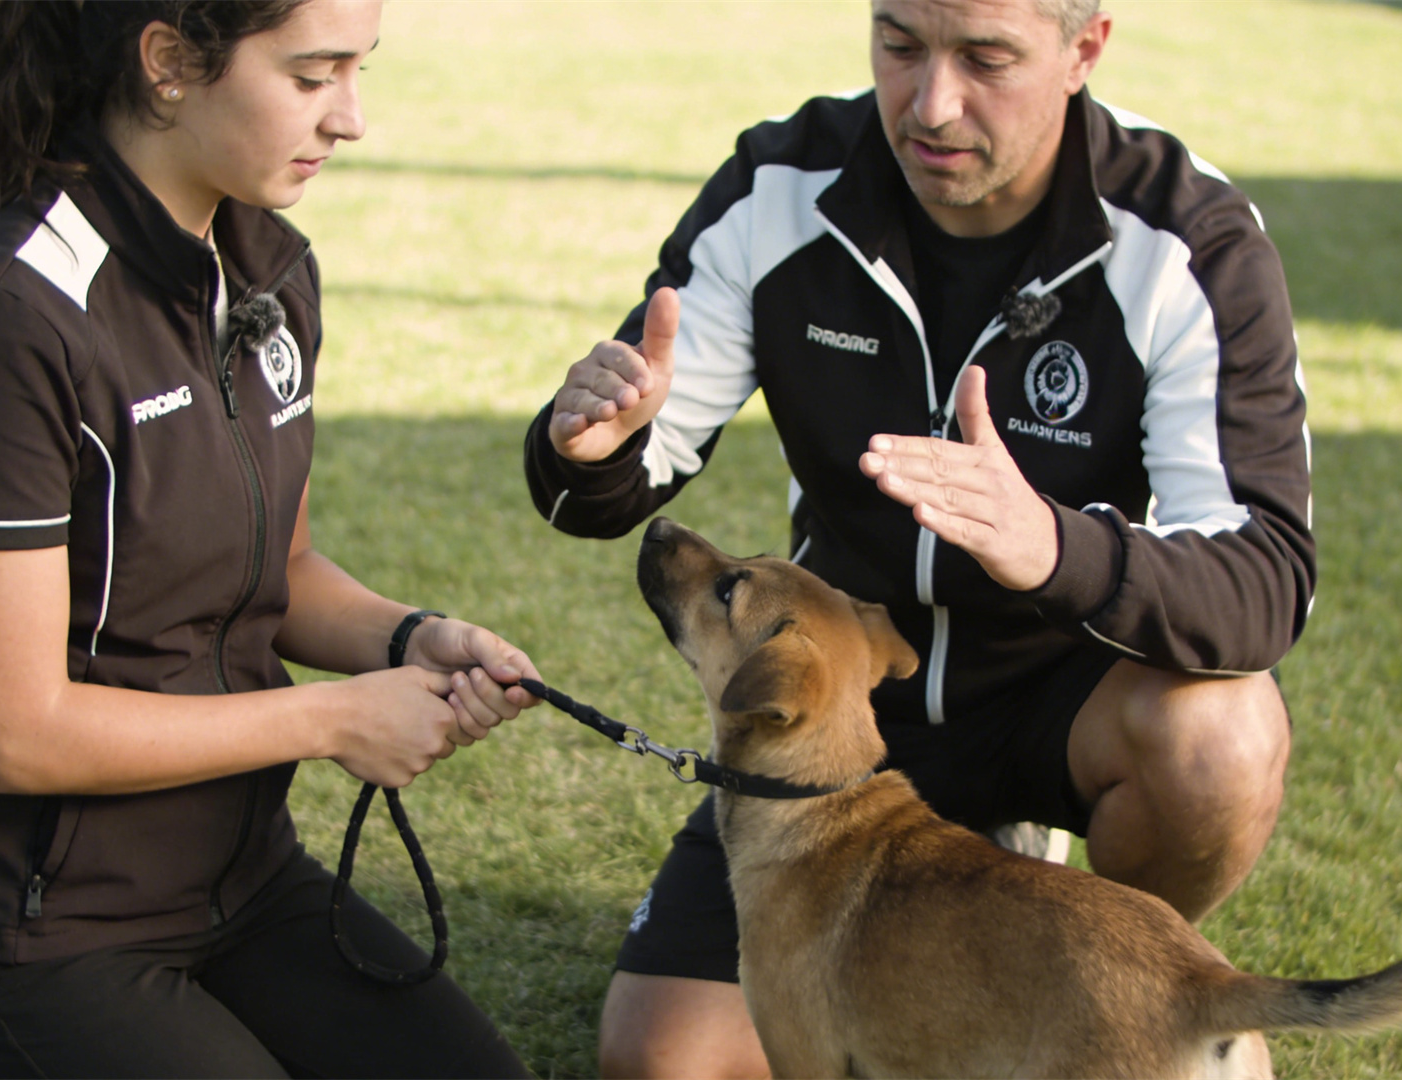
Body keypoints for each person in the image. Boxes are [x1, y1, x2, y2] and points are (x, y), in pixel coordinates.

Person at [521, 1, 1310, 1076]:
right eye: (899, 45)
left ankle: (1090, 985)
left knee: (1221, 739)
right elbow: (610, 486)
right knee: (664, 1065)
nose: (930, 103)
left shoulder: (1182, 240)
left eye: (986, 58)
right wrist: (587, 450)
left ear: (1085, 49)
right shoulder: (783, 187)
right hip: (840, 714)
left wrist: (1054, 548)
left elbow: (1263, 582)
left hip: (1058, 710)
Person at [0, 2, 539, 1075]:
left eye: (358, 71)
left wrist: (411, 637)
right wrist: (330, 719)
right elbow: (13, 733)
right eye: (313, 75)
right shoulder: (5, 314)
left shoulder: (268, 264)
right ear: (169, 64)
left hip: (244, 882)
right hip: (38, 935)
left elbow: (281, 571)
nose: (352, 119)